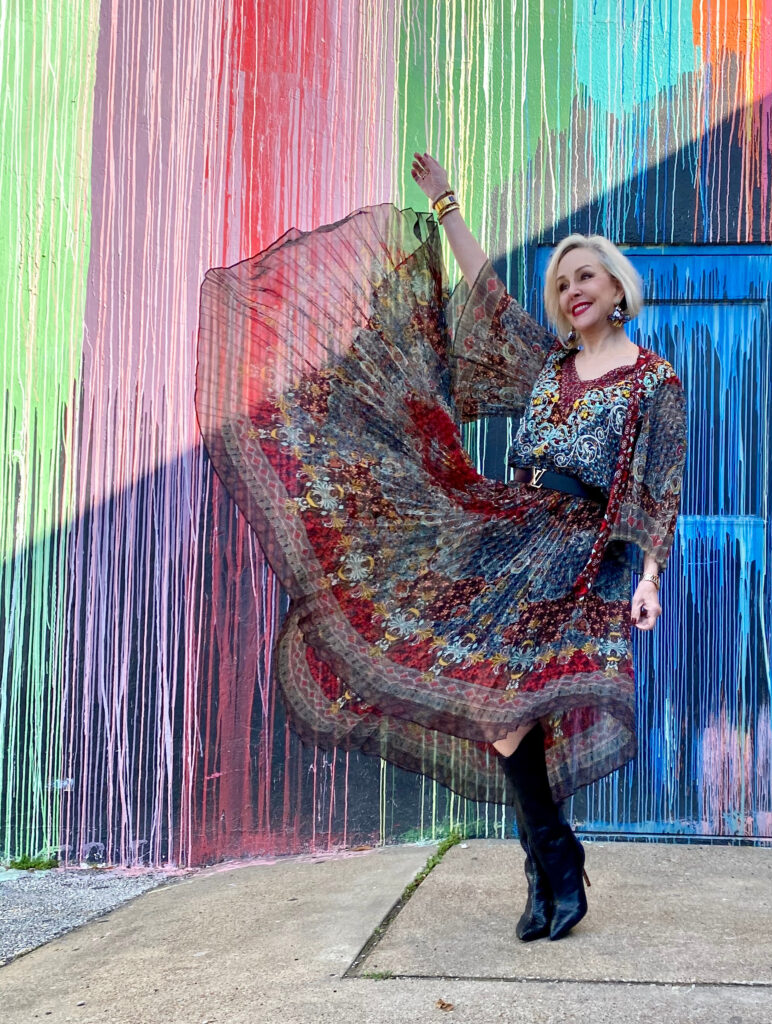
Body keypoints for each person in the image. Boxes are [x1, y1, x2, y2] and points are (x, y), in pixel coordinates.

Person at [195, 152, 686, 942]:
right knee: (495, 708)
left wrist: (650, 575)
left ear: (618, 288)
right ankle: (553, 858)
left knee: (510, 706)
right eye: (563, 284)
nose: (573, 291)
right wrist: (447, 203)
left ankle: (550, 864)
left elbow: (661, 484)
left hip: (577, 550)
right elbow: (485, 293)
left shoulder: (653, 380)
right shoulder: (545, 362)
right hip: (502, 530)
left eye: (587, 277)